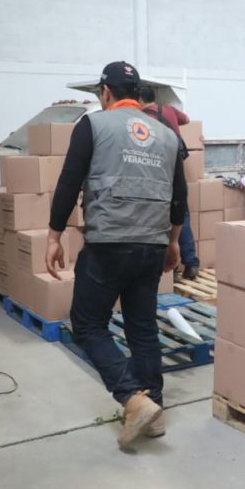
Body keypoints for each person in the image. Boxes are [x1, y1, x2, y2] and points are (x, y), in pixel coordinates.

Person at [46, 61, 187, 449]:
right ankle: (154, 413)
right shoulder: (166, 135)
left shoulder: (92, 125)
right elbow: (180, 197)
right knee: (142, 327)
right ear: (138, 94)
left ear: (105, 92)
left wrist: (54, 235)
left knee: (87, 324)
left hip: (109, 243)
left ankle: (132, 399)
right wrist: (173, 242)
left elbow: (69, 181)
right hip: (152, 244)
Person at [140, 85, 200, 281]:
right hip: (177, 169)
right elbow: (187, 119)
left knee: (161, 220)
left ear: (139, 100)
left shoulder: (140, 118)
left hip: (158, 172)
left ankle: (170, 269)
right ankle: (191, 264)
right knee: (182, 217)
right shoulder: (168, 109)